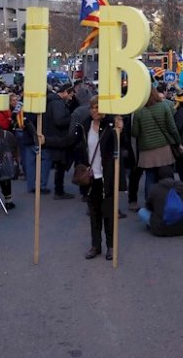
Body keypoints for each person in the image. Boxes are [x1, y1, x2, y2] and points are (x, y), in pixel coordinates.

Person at [50, 98, 122, 260]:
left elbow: (121, 145)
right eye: (92, 108)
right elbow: (67, 141)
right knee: (94, 214)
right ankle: (95, 246)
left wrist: (120, 129)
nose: (94, 111)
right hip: (90, 178)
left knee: (108, 214)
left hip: (107, 178)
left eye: (97, 107)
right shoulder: (84, 125)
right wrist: (45, 140)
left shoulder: (111, 125)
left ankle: (111, 246)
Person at [132, 85, 182, 205]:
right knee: (166, 178)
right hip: (164, 148)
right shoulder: (164, 106)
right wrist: (178, 142)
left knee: (150, 177)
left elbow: (135, 133)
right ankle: (168, 203)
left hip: (146, 150)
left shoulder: (139, 111)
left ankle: (150, 205)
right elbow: (172, 128)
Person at [139, 164, 183, 237]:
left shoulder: (154, 188)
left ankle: (153, 225)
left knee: (141, 211)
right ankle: (181, 222)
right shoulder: (181, 186)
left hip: (160, 229)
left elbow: (148, 206)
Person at [44, 84, 74, 200]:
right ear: (65, 92)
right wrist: (71, 118)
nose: (71, 98)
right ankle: (59, 191)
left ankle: (59, 190)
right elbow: (59, 120)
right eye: (70, 95)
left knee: (59, 166)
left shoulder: (54, 102)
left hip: (55, 137)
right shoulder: (57, 103)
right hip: (58, 138)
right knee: (60, 166)